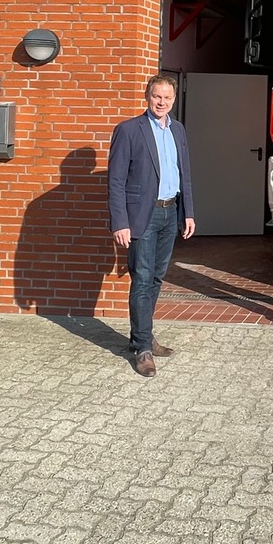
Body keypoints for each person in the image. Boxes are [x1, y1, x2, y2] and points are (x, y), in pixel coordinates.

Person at [108, 74, 195, 377]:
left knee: (156, 278)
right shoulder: (129, 130)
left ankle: (143, 335)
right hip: (141, 218)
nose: (162, 102)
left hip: (170, 214)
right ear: (147, 97)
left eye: (167, 97)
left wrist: (188, 212)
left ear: (173, 100)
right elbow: (116, 181)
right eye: (157, 96)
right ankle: (142, 348)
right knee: (142, 279)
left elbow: (184, 173)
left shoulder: (178, 130)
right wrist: (120, 222)